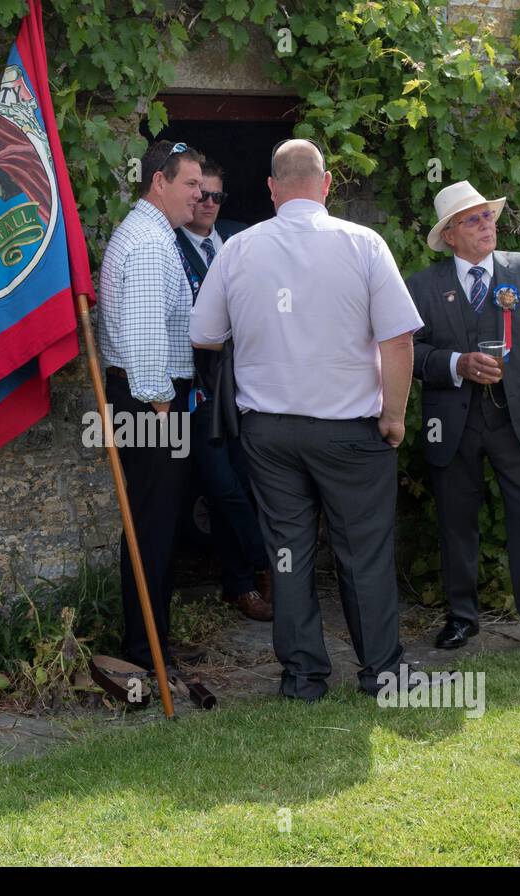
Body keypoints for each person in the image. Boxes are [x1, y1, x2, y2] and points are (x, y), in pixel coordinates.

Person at [189, 139, 430, 702]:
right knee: (363, 549)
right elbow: (397, 338)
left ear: (271, 190)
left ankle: (302, 676)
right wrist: (394, 415)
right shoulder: (363, 243)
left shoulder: (239, 248)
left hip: (269, 430)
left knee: (287, 552)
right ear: (326, 185)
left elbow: (204, 334)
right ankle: (381, 673)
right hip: (350, 427)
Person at [407, 180, 520, 656]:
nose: (487, 225)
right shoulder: (422, 286)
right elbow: (410, 353)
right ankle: (461, 618)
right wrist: (456, 364)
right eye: (473, 219)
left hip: (519, 418)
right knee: (456, 521)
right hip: (453, 420)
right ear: (450, 234)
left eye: (488, 215)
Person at [97, 140, 204, 672]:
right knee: (151, 526)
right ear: (158, 182)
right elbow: (142, 343)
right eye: (189, 183)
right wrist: (165, 411)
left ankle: (154, 640)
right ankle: (144, 652)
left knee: (159, 524)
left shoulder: (154, 235)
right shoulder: (147, 243)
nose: (199, 193)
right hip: (150, 404)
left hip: (150, 402)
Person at [174, 159, 270, 623]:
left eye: (217, 196)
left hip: (247, 380)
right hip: (199, 384)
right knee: (221, 487)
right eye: (201, 195)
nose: (209, 204)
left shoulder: (240, 235)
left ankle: (242, 584)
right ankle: (268, 558)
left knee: (248, 482)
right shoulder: (169, 243)